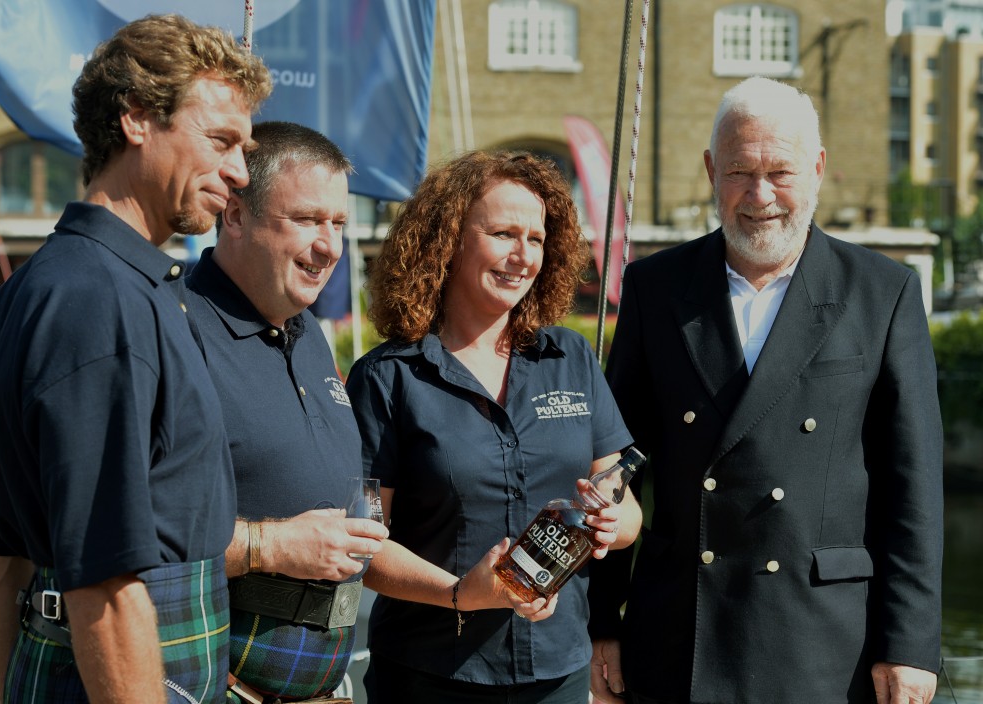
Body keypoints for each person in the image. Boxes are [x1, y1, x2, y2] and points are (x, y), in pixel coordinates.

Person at [588, 76, 944, 704]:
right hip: (680, 628)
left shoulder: (882, 293)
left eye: (781, 172)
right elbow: (614, 466)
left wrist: (909, 643)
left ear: (818, 168)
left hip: (824, 639)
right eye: (739, 173)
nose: (760, 197)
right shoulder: (654, 288)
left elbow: (911, 485)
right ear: (709, 171)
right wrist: (602, 624)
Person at [0, 15, 271, 703]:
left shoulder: (49, 286)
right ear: (137, 118)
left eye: (246, 148)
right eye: (222, 141)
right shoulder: (98, 303)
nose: (240, 172)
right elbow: (104, 587)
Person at [346, 150, 643, 703]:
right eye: (504, 233)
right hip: (431, 674)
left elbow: (627, 511)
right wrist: (462, 593)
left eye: (536, 238)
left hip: (558, 672)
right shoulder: (388, 377)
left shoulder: (570, 358)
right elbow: (361, 544)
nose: (523, 255)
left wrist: (610, 522)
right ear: (450, 239)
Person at [183, 121, 389, 703]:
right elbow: (133, 531)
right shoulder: (173, 328)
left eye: (338, 223)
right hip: (213, 685)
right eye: (305, 220)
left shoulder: (309, 330)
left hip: (322, 688)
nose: (329, 246)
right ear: (235, 214)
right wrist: (271, 547)